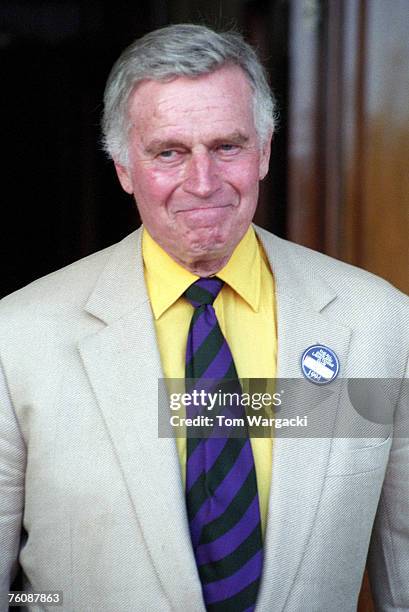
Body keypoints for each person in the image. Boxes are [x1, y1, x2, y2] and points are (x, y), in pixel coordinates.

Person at [0, 23, 408, 612]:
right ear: (122, 167)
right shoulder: (18, 337)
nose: (203, 182)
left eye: (227, 146)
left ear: (265, 151)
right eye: (169, 152)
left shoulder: (378, 323)